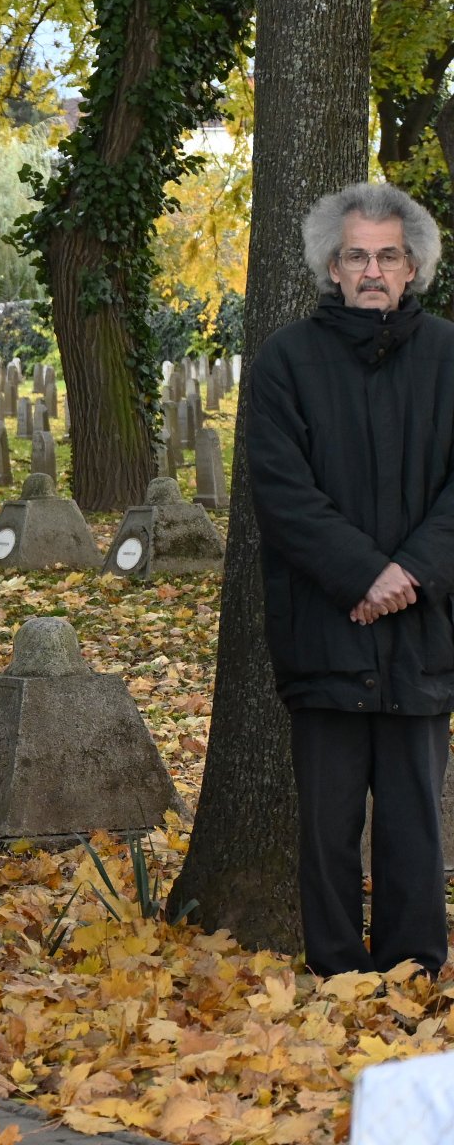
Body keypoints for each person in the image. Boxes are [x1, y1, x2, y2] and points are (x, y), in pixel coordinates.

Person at [249, 181, 452, 980]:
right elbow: (282, 492)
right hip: (325, 624)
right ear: (331, 268)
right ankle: (335, 976)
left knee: (414, 821)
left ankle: (412, 971)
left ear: (413, 268)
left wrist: (411, 572)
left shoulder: (449, 356)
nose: (372, 271)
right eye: (356, 257)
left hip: (423, 629)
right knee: (327, 825)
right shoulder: (286, 361)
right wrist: (365, 576)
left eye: (388, 257)